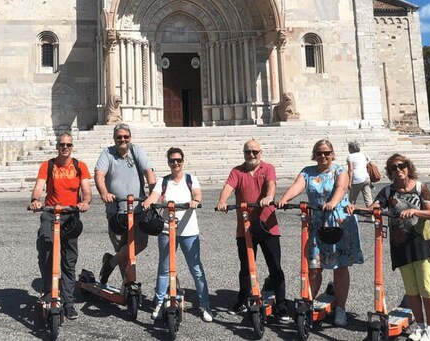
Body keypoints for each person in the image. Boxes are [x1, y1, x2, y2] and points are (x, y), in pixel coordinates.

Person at [277, 139, 363, 327]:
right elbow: (296, 187)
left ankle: (340, 309)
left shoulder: (339, 170)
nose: (323, 156)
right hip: (317, 222)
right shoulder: (307, 172)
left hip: (339, 221)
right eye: (319, 153)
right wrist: (283, 199)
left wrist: (332, 202)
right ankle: (307, 304)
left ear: (332, 154)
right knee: (314, 267)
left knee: (340, 267)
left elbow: (341, 188)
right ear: (314, 155)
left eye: (326, 153)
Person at [216, 139, 291, 324]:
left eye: (255, 152)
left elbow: (271, 184)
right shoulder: (237, 171)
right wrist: (222, 200)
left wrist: (269, 197)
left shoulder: (268, 168)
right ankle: (243, 300)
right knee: (246, 266)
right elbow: (228, 187)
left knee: (275, 266)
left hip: (267, 225)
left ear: (261, 152)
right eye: (248, 152)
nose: (251, 155)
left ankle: (281, 305)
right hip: (246, 226)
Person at [368, 154, 430, 341]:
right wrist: (354, 208)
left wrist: (415, 211)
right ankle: (421, 326)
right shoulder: (387, 191)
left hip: (421, 242)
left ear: (408, 167)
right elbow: (375, 206)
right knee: (412, 290)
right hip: (400, 244)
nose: (399, 169)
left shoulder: (420, 187)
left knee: (425, 286)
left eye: (402, 165)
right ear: (390, 172)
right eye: (394, 167)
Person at [142, 147, 212, 323]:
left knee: (196, 269)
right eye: (172, 160)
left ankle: (205, 305)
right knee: (164, 269)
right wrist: (148, 202)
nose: (176, 163)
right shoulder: (163, 181)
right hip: (167, 230)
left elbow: (197, 193)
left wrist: (195, 201)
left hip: (188, 231)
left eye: (179, 160)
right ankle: (159, 303)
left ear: (183, 161)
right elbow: (155, 195)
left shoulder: (191, 179)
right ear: (168, 162)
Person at [30, 132, 92, 320]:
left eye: (68, 145)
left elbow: (87, 190)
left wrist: (85, 202)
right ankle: (49, 292)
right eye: (62, 145)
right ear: (57, 146)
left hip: (70, 215)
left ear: (72, 147)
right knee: (46, 247)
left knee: (69, 259)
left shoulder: (80, 166)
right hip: (50, 212)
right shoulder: (47, 165)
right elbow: (39, 187)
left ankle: (69, 302)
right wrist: (35, 200)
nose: (65, 148)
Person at [94, 123, 156, 285]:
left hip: (139, 208)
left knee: (140, 243)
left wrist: (152, 195)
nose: (123, 139)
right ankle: (127, 287)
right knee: (122, 248)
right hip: (116, 210)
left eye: (126, 136)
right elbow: (99, 174)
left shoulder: (136, 151)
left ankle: (110, 263)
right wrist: (104, 193)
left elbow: (149, 172)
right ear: (114, 138)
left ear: (130, 138)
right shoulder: (107, 153)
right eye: (119, 137)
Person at [346, 141, 372, 206]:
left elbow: (350, 169)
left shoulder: (350, 156)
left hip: (357, 179)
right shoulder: (363, 154)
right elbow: (369, 162)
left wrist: (349, 182)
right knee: (368, 198)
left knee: (352, 199)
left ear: (351, 148)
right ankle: (371, 214)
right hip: (366, 177)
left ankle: (350, 213)